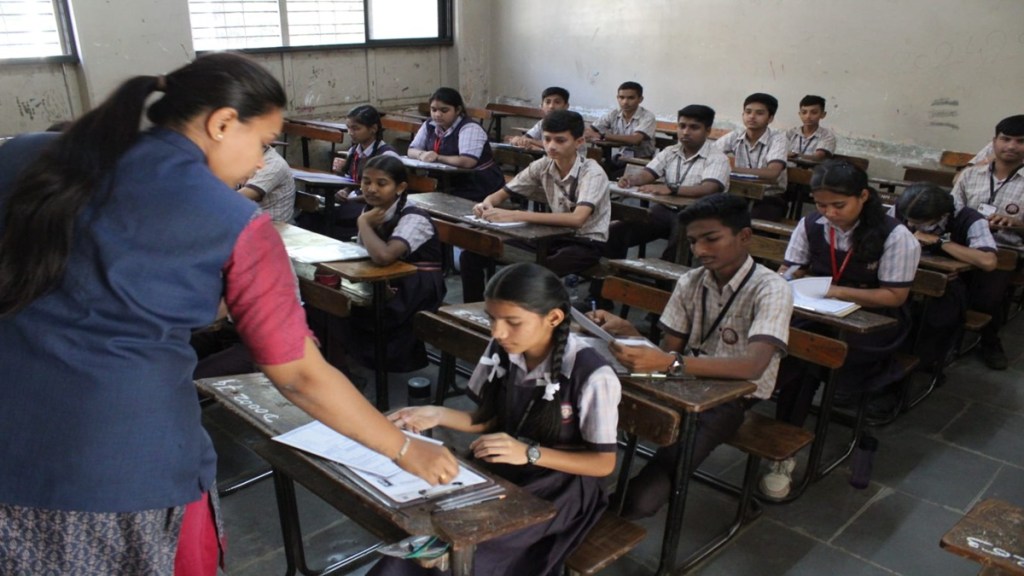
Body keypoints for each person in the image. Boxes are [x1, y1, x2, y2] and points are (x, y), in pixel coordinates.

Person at [0, 52, 457, 576]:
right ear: (221, 123)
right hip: (121, 466)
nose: (261, 163)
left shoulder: (25, 155)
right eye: (262, 143)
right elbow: (300, 375)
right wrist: (402, 448)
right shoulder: (233, 220)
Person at [370, 262, 621, 576]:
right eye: (492, 318)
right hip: (505, 466)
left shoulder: (593, 374)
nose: (497, 332)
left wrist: (529, 453)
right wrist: (437, 413)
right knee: (425, 534)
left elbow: (603, 463)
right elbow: (488, 420)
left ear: (554, 318)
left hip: (561, 488)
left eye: (512, 322)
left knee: (468, 549)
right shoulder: (502, 348)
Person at [588, 194, 792, 519]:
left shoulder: (771, 288)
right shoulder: (691, 281)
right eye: (694, 241)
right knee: (594, 396)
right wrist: (628, 331)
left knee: (643, 499)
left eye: (711, 239)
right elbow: (669, 353)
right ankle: (580, 492)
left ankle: (607, 514)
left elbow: (753, 366)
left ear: (744, 236)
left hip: (733, 396)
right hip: (683, 381)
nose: (700, 250)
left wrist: (671, 364)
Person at [767, 159, 921, 498]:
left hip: (874, 321)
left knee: (809, 353)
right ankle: (783, 442)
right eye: (821, 205)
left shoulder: (896, 236)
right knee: (797, 345)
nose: (830, 213)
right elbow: (792, 266)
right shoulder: (811, 224)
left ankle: (784, 445)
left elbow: (894, 296)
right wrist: (786, 278)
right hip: (818, 311)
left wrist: (834, 291)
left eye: (839, 205)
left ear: (863, 196)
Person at [459, 110, 610, 303]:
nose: (551, 146)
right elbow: (501, 194)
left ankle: (523, 316)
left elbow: (577, 219)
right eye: (547, 139)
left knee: (533, 274)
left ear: (579, 142)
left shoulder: (592, 172)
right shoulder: (544, 164)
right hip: (552, 236)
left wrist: (516, 215)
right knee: (473, 253)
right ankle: (473, 310)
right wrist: (486, 203)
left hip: (586, 243)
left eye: (560, 140)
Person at [341, 155, 446, 372]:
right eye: (366, 182)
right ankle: (345, 358)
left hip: (417, 284)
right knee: (335, 297)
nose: (371, 189)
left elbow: (384, 256)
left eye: (381, 183)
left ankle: (368, 362)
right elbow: (367, 251)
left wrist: (363, 224)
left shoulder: (414, 217)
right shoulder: (372, 211)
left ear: (400, 188)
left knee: (367, 310)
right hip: (387, 275)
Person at [892, 184, 997, 371]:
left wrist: (940, 242)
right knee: (893, 312)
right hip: (901, 276)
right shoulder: (903, 208)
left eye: (919, 222)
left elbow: (988, 261)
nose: (911, 226)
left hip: (949, 286)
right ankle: (889, 361)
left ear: (942, 215)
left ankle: (925, 364)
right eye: (909, 221)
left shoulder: (969, 219)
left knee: (935, 318)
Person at [608, 104, 730, 261]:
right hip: (666, 209)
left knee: (679, 240)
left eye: (694, 127)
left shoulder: (717, 158)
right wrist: (631, 179)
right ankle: (615, 270)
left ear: (707, 131)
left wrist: (672, 189)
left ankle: (664, 273)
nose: (685, 132)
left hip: (699, 214)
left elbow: (709, 188)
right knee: (616, 232)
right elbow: (648, 174)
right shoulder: (670, 151)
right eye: (682, 126)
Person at [948, 114, 1024, 369]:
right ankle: (941, 337)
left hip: (1005, 249)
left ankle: (990, 341)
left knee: (987, 297)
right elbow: (951, 212)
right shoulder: (971, 175)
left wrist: (1016, 223)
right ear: (994, 141)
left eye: (1020, 141)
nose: (1011, 146)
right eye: (1006, 139)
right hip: (966, 245)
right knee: (943, 287)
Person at [407, 87, 505, 202]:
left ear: (458, 110)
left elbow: (467, 161)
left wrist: (437, 157)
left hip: (477, 183)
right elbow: (411, 150)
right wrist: (421, 154)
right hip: (446, 181)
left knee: (439, 201)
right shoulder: (429, 125)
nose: (437, 115)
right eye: (433, 110)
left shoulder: (470, 128)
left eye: (444, 110)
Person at [714, 92, 789, 220]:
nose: (752, 117)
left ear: (770, 118)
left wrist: (730, 168)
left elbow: (772, 173)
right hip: (737, 193)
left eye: (759, 113)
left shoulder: (778, 139)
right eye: (748, 112)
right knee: (713, 213)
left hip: (768, 197)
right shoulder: (735, 135)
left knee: (752, 220)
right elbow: (709, 155)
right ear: (743, 115)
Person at [329, 104, 399, 239]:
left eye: (356, 128)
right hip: (355, 201)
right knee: (317, 213)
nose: (350, 132)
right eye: (349, 128)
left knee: (330, 215)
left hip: (375, 207)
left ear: (373, 129)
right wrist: (344, 190)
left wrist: (351, 199)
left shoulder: (386, 156)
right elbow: (352, 180)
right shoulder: (354, 150)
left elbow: (385, 194)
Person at [584, 81, 657, 177]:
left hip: (641, 162)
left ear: (640, 99)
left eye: (631, 98)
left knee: (607, 176)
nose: (625, 102)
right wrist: (594, 134)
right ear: (617, 98)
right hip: (620, 158)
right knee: (593, 171)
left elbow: (635, 139)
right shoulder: (614, 113)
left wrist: (603, 136)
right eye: (621, 97)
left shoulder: (647, 117)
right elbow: (590, 130)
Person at [238, 145, 296, 223]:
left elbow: (241, 196)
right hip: (253, 222)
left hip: (274, 226)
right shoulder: (246, 158)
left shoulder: (275, 164)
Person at [786, 95, 837, 161]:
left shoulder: (827, 136)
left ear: (823, 114)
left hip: (813, 168)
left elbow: (818, 157)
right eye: (804, 112)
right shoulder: (791, 133)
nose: (808, 116)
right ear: (800, 114)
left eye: (814, 112)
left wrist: (794, 155)